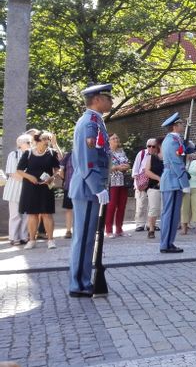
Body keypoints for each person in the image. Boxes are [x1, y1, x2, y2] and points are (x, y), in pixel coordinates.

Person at [68, 83, 113, 297]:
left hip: (90, 188)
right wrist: (97, 187)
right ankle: (78, 283)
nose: (111, 101)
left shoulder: (95, 122)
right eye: (107, 97)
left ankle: (83, 280)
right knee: (84, 237)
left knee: (87, 238)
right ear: (96, 99)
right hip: (87, 189)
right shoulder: (89, 124)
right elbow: (88, 161)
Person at [17, 130, 62, 249]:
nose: (47, 141)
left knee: (47, 214)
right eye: (44, 139)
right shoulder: (28, 153)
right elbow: (19, 170)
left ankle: (50, 240)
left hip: (46, 187)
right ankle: (31, 240)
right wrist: (29, 176)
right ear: (36, 141)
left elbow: (58, 169)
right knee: (32, 214)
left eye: (48, 139)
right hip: (30, 187)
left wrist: (52, 177)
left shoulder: (52, 153)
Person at [159, 113, 194, 253]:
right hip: (173, 180)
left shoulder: (176, 140)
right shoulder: (171, 141)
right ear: (175, 126)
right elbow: (176, 162)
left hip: (174, 180)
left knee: (174, 215)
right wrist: (184, 182)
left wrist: (188, 141)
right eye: (181, 124)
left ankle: (169, 242)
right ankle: (165, 244)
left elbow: (188, 150)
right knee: (170, 214)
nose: (183, 126)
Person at [4, 134, 32, 245]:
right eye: (28, 142)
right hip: (15, 189)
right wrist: (29, 179)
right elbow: (12, 173)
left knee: (26, 215)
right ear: (20, 144)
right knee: (15, 215)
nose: (31, 144)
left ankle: (24, 236)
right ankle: (14, 237)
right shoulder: (14, 154)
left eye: (31, 142)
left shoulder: (32, 155)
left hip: (28, 189)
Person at [105, 133, 130, 238]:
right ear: (109, 141)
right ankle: (109, 230)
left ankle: (119, 229)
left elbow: (128, 163)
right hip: (113, 182)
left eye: (117, 137)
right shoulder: (107, 153)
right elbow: (105, 168)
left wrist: (126, 166)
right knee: (111, 206)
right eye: (113, 138)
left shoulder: (121, 151)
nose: (116, 139)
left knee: (122, 206)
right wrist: (117, 167)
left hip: (123, 181)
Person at [132, 139, 157, 232]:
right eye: (149, 146)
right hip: (142, 182)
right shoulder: (141, 154)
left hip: (153, 182)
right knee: (141, 204)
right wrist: (136, 183)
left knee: (153, 204)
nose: (151, 148)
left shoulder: (158, 155)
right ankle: (140, 224)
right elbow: (135, 168)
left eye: (153, 146)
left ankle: (150, 224)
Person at [143, 138, 165, 239]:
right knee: (154, 208)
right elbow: (147, 171)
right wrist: (159, 179)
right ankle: (151, 229)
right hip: (154, 186)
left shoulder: (168, 157)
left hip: (167, 187)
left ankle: (165, 229)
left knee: (164, 209)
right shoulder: (151, 157)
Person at [180, 153, 196, 235]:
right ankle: (184, 228)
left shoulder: (195, 162)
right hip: (185, 187)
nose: (189, 154)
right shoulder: (182, 162)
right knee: (184, 208)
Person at [59, 150, 74, 239]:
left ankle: (80, 229)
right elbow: (61, 171)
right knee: (69, 209)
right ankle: (68, 230)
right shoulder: (68, 155)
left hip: (82, 186)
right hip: (69, 186)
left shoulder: (86, 153)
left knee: (81, 208)